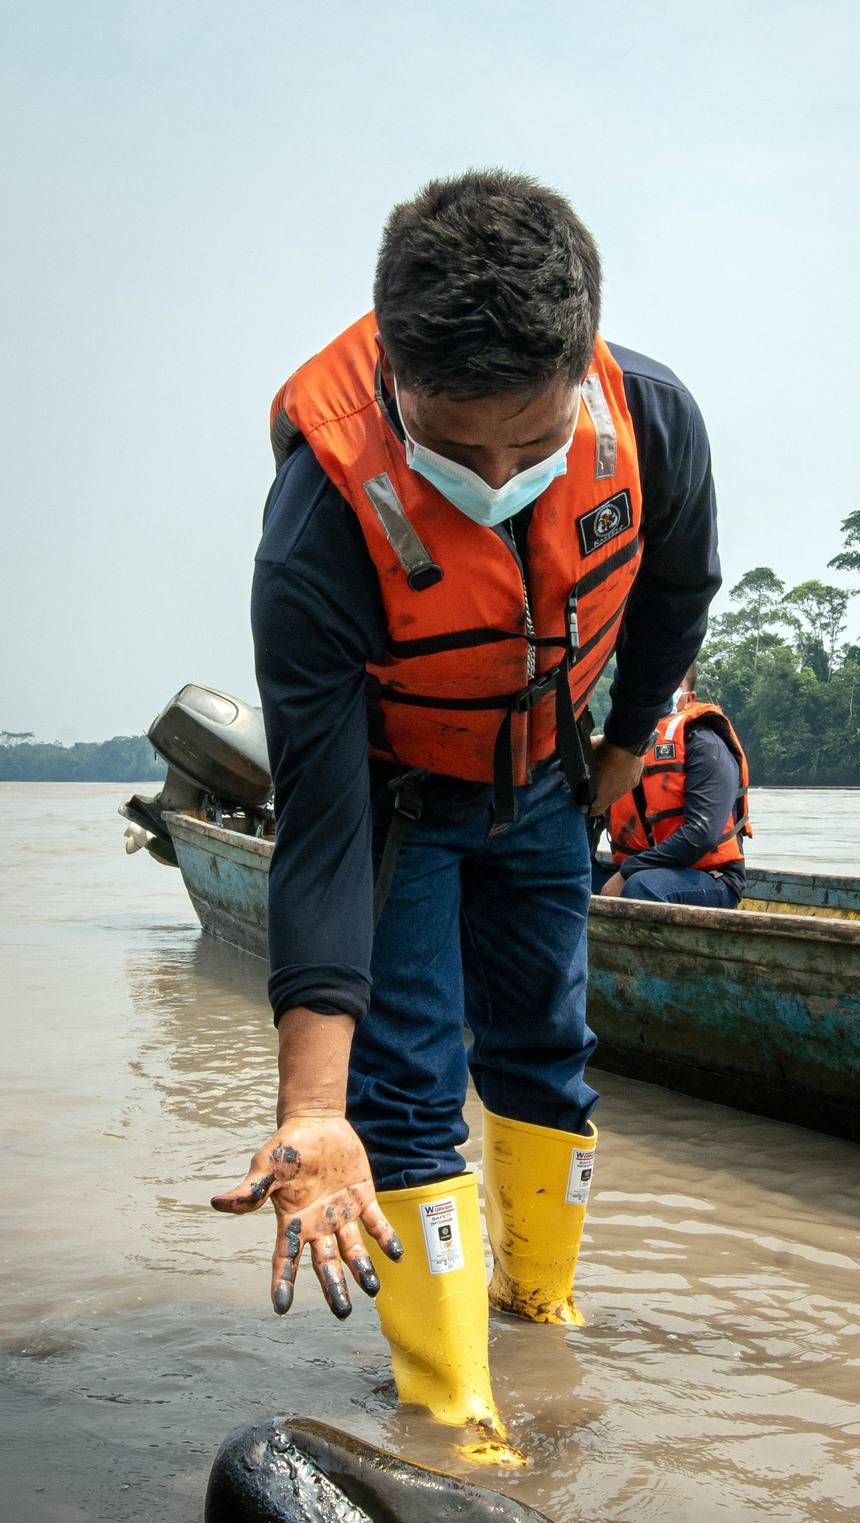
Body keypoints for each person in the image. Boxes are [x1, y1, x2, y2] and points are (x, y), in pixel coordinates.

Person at [209, 172, 720, 1452]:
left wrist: (619, 748)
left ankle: (540, 1300)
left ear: (583, 366)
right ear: (395, 382)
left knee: (550, 1041)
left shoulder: (653, 421)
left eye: (531, 444)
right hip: (397, 799)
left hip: (549, 774)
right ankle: (453, 1404)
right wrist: (309, 1109)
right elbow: (318, 832)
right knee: (411, 1079)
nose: (497, 474)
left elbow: (673, 596)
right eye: (457, 447)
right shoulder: (320, 527)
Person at [594, 670, 750, 907]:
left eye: (669, 684)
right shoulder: (619, 750)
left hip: (711, 879)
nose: (655, 691)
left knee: (640, 887)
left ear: (688, 697)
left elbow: (701, 834)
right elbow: (588, 816)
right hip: (639, 869)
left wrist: (628, 871)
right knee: (568, 878)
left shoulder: (705, 743)